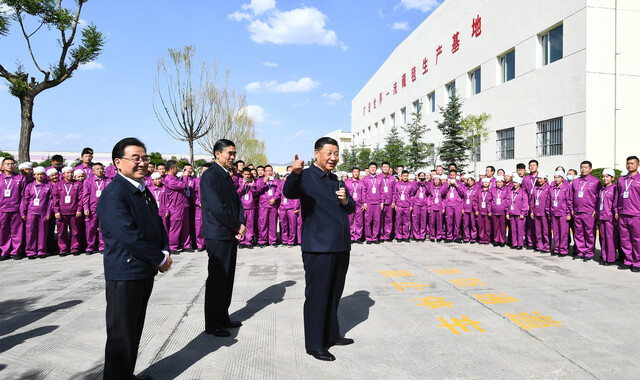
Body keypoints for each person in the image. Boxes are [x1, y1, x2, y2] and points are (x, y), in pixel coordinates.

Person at [97, 137, 172, 380]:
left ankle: (126, 375)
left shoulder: (142, 189)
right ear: (118, 163)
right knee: (121, 335)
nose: (141, 163)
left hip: (143, 270)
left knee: (133, 330)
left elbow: (157, 224)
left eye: (144, 158)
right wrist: (159, 258)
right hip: (125, 272)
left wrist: (165, 250)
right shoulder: (115, 193)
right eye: (135, 158)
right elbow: (127, 234)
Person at [283, 137, 356, 362]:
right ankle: (315, 344)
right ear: (317, 153)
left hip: (340, 246)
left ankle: (332, 335)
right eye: (329, 153)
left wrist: (345, 201)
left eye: (336, 153)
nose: (333, 157)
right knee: (317, 296)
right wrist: (295, 173)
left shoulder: (336, 180)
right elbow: (289, 192)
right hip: (319, 248)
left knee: (334, 294)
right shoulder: (305, 177)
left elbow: (351, 208)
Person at [200, 139, 246, 337]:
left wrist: (241, 223)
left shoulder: (227, 176)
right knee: (218, 279)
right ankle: (212, 323)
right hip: (217, 234)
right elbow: (217, 207)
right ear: (217, 154)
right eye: (229, 153)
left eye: (234, 153)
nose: (233, 157)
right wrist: (236, 225)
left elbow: (236, 202)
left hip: (229, 233)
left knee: (228, 278)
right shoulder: (210, 176)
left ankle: (223, 316)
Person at [571, 161, 602, 262]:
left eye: (586, 167)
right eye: (582, 167)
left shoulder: (596, 182)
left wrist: (596, 210)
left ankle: (589, 252)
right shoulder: (576, 181)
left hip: (589, 212)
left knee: (589, 233)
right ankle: (580, 252)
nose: (583, 169)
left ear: (590, 169)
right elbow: (571, 196)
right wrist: (572, 209)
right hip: (577, 212)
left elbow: (599, 198)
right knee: (578, 233)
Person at [21, 166, 53, 259]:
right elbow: (25, 200)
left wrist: (48, 213)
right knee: (30, 232)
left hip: (43, 212)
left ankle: (41, 251)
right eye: (38, 174)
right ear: (34, 175)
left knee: (42, 232)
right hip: (31, 212)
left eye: (41, 174)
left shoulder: (48, 186)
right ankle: (30, 251)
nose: (40, 176)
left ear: (44, 175)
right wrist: (23, 212)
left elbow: (51, 201)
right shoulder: (29, 186)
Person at [615, 156, 640, 272]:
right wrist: (616, 211)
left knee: (637, 239)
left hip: (636, 215)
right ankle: (628, 260)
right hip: (622, 214)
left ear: (638, 165)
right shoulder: (621, 180)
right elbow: (616, 197)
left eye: (632, 163)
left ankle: (637, 262)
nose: (630, 165)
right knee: (625, 239)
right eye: (628, 163)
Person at [0, 157, 26, 260]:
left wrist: (22, 210)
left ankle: (16, 251)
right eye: (8, 164)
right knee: (3, 231)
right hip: (2, 209)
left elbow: (24, 196)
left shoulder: (20, 178)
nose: (10, 166)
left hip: (16, 209)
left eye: (12, 164)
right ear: (2, 166)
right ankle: (4, 252)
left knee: (17, 231)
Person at [164, 160, 191, 253]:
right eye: (176, 167)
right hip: (176, 207)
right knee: (175, 228)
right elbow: (183, 185)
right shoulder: (169, 179)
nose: (177, 169)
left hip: (183, 205)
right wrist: (185, 177)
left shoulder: (174, 178)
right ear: (171, 168)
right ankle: (173, 247)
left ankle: (186, 245)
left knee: (186, 227)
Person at [83, 163, 110, 254]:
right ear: (93, 171)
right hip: (92, 208)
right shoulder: (88, 181)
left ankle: (102, 246)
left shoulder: (108, 180)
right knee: (90, 228)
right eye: (97, 169)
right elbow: (85, 195)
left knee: (103, 228)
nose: (99, 170)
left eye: (101, 169)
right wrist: (86, 207)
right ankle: (90, 247)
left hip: (105, 208)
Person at [255, 165, 280, 246]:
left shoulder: (276, 181)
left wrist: (274, 199)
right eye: (267, 171)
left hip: (273, 205)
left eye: (270, 170)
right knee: (263, 224)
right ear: (264, 172)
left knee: (273, 224)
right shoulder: (260, 180)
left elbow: (279, 191)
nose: (269, 172)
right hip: (263, 206)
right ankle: (262, 240)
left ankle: (272, 240)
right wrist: (264, 182)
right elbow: (258, 190)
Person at [549, 171, 572, 256]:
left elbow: (569, 201)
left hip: (563, 213)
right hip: (554, 213)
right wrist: (549, 212)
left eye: (559, 177)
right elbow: (549, 201)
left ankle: (563, 249)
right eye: (555, 177)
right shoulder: (552, 188)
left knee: (563, 233)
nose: (557, 179)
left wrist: (569, 213)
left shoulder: (566, 188)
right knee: (556, 232)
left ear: (562, 178)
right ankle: (556, 248)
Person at [598, 169, 617, 265]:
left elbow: (616, 204)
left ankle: (611, 258)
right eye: (603, 176)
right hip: (602, 216)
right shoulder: (602, 189)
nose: (604, 178)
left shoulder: (614, 189)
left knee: (610, 238)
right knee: (603, 238)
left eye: (607, 176)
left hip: (610, 217)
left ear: (612, 178)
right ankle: (605, 257)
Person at [530, 173, 551, 253]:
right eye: (538, 179)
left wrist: (548, 212)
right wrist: (532, 210)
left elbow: (550, 200)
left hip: (544, 212)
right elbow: (532, 200)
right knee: (538, 230)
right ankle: (539, 245)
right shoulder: (535, 188)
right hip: (536, 212)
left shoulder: (548, 188)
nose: (540, 180)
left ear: (545, 179)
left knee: (546, 231)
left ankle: (547, 246)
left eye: (541, 178)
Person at [237, 167, 257, 248]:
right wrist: (242, 185)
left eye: (249, 174)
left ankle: (248, 241)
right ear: (242, 174)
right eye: (245, 174)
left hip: (251, 206)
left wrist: (252, 186)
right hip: (242, 206)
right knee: (242, 224)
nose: (247, 176)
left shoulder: (253, 182)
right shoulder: (239, 181)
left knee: (250, 225)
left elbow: (256, 194)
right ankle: (241, 240)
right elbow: (237, 193)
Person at [362, 162, 382, 244]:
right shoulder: (365, 179)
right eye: (371, 167)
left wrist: (382, 202)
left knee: (377, 221)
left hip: (378, 203)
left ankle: (375, 237)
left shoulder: (380, 179)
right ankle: (368, 238)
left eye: (374, 167)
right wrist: (364, 202)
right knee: (368, 221)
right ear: (368, 169)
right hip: (369, 203)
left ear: (376, 169)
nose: (373, 169)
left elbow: (382, 191)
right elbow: (363, 191)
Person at [507, 176, 528, 250]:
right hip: (512, 213)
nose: (514, 184)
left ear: (519, 183)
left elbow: (525, 203)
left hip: (519, 214)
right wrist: (507, 212)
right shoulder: (511, 192)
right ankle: (514, 243)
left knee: (520, 230)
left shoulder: (523, 192)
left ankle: (520, 243)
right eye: (514, 182)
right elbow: (508, 203)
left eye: (516, 183)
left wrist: (523, 212)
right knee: (513, 229)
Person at [393, 170, 414, 242]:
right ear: (401, 176)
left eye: (406, 176)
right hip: (399, 205)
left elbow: (412, 196)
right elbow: (395, 195)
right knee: (398, 221)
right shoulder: (397, 184)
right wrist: (395, 203)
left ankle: (405, 236)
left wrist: (411, 205)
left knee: (406, 222)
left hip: (407, 206)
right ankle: (399, 236)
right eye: (404, 176)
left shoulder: (410, 185)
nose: (405, 177)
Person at [443, 170, 463, 243]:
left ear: (456, 175)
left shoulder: (460, 183)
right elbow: (442, 193)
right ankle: (449, 236)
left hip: (457, 205)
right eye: (451, 175)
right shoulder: (446, 184)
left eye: (453, 175)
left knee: (457, 221)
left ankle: (456, 236)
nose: (452, 177)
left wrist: (457, 186)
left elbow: (462, 194)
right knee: (449, 221)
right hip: (448, 205)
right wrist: (447, 186)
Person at [345, 167, 364, 243]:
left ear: (359, 173)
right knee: (350, 221)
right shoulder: (347, 182)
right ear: (352, 173)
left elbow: (364, 194)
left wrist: (364, 203)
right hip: (350, 204)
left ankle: (358, 237)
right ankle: (351, 237)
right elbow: (345, 194)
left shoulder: (361, 183)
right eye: (354, 172)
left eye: (357, 172)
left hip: (359, 204)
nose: (356, 173)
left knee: (359, 221)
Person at [491, 176, 509, 247]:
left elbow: (508, 200)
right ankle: (496, 240)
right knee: (495, 226)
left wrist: (507, 211)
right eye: (497, 182)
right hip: (494, 211)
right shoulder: (493, 190)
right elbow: (489, 201)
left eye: (500, 182)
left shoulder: (506, 189)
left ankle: (502, 240)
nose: (499, 184)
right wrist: (490, 210)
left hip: (503, 212)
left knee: (502, 227)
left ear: (503, 183)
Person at [379, 162, 395, 241]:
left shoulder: (392, 178)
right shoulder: (378, 178)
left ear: (389, 168)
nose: (385, 168)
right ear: (381, 168)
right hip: (381, 203)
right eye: (384, 167)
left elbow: (394, 191)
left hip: (389, 202)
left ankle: (387, 235)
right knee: (380, 219)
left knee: (388, 219)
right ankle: (381, 235)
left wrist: (393, 201)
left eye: (387, 167)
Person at [411, 172, 429, 241]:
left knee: (423, 220)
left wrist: (426, 183)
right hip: (416, 204)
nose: (422, 177)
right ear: (418, 177)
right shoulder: (415, 183)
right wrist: (417, 183)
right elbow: (413, 191)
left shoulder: (425, 184)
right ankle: (416, 235)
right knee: (415, 221)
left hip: (424, 204)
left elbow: (428, 192)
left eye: (423, 176)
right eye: (420, 176)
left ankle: (422, 235)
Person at [475, 177, 493, 244]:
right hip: (480, 211)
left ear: (489, 183)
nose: (485, 183)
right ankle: (481, 239)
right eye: (484, 182)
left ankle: (487, 239)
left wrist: (490, 211)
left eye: (487, 182)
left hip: (487, 212)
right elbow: (475, 201)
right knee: (481, 226)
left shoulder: (491, 191)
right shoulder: (479, 191)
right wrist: (476, 210)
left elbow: (491, 202)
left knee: (487, 227)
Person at [460, 176, 478, 243]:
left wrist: (476, 210)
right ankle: (466, 237)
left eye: (471, 180)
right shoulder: (465, 189)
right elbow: (462, 199)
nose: (469, 182)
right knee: (465, 224)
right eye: (468, 180)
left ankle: (473, 238)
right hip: (465, 208)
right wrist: (462, 208)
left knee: (473, 224)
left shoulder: (476, 189)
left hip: (472, 209)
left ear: (473, 181)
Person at [429, 175, 446, 242]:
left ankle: (439, 236)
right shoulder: (431, 188)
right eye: (435, 180)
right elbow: (429, 198)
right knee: (432, 222)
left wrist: (443, 207)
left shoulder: (442, 188)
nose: (436, 181)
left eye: (437, 180)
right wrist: (429, 207)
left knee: (439, 223)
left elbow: (443, 199)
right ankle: (432, 236)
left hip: (439, 207)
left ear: (440, 181)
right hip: (433, 207)